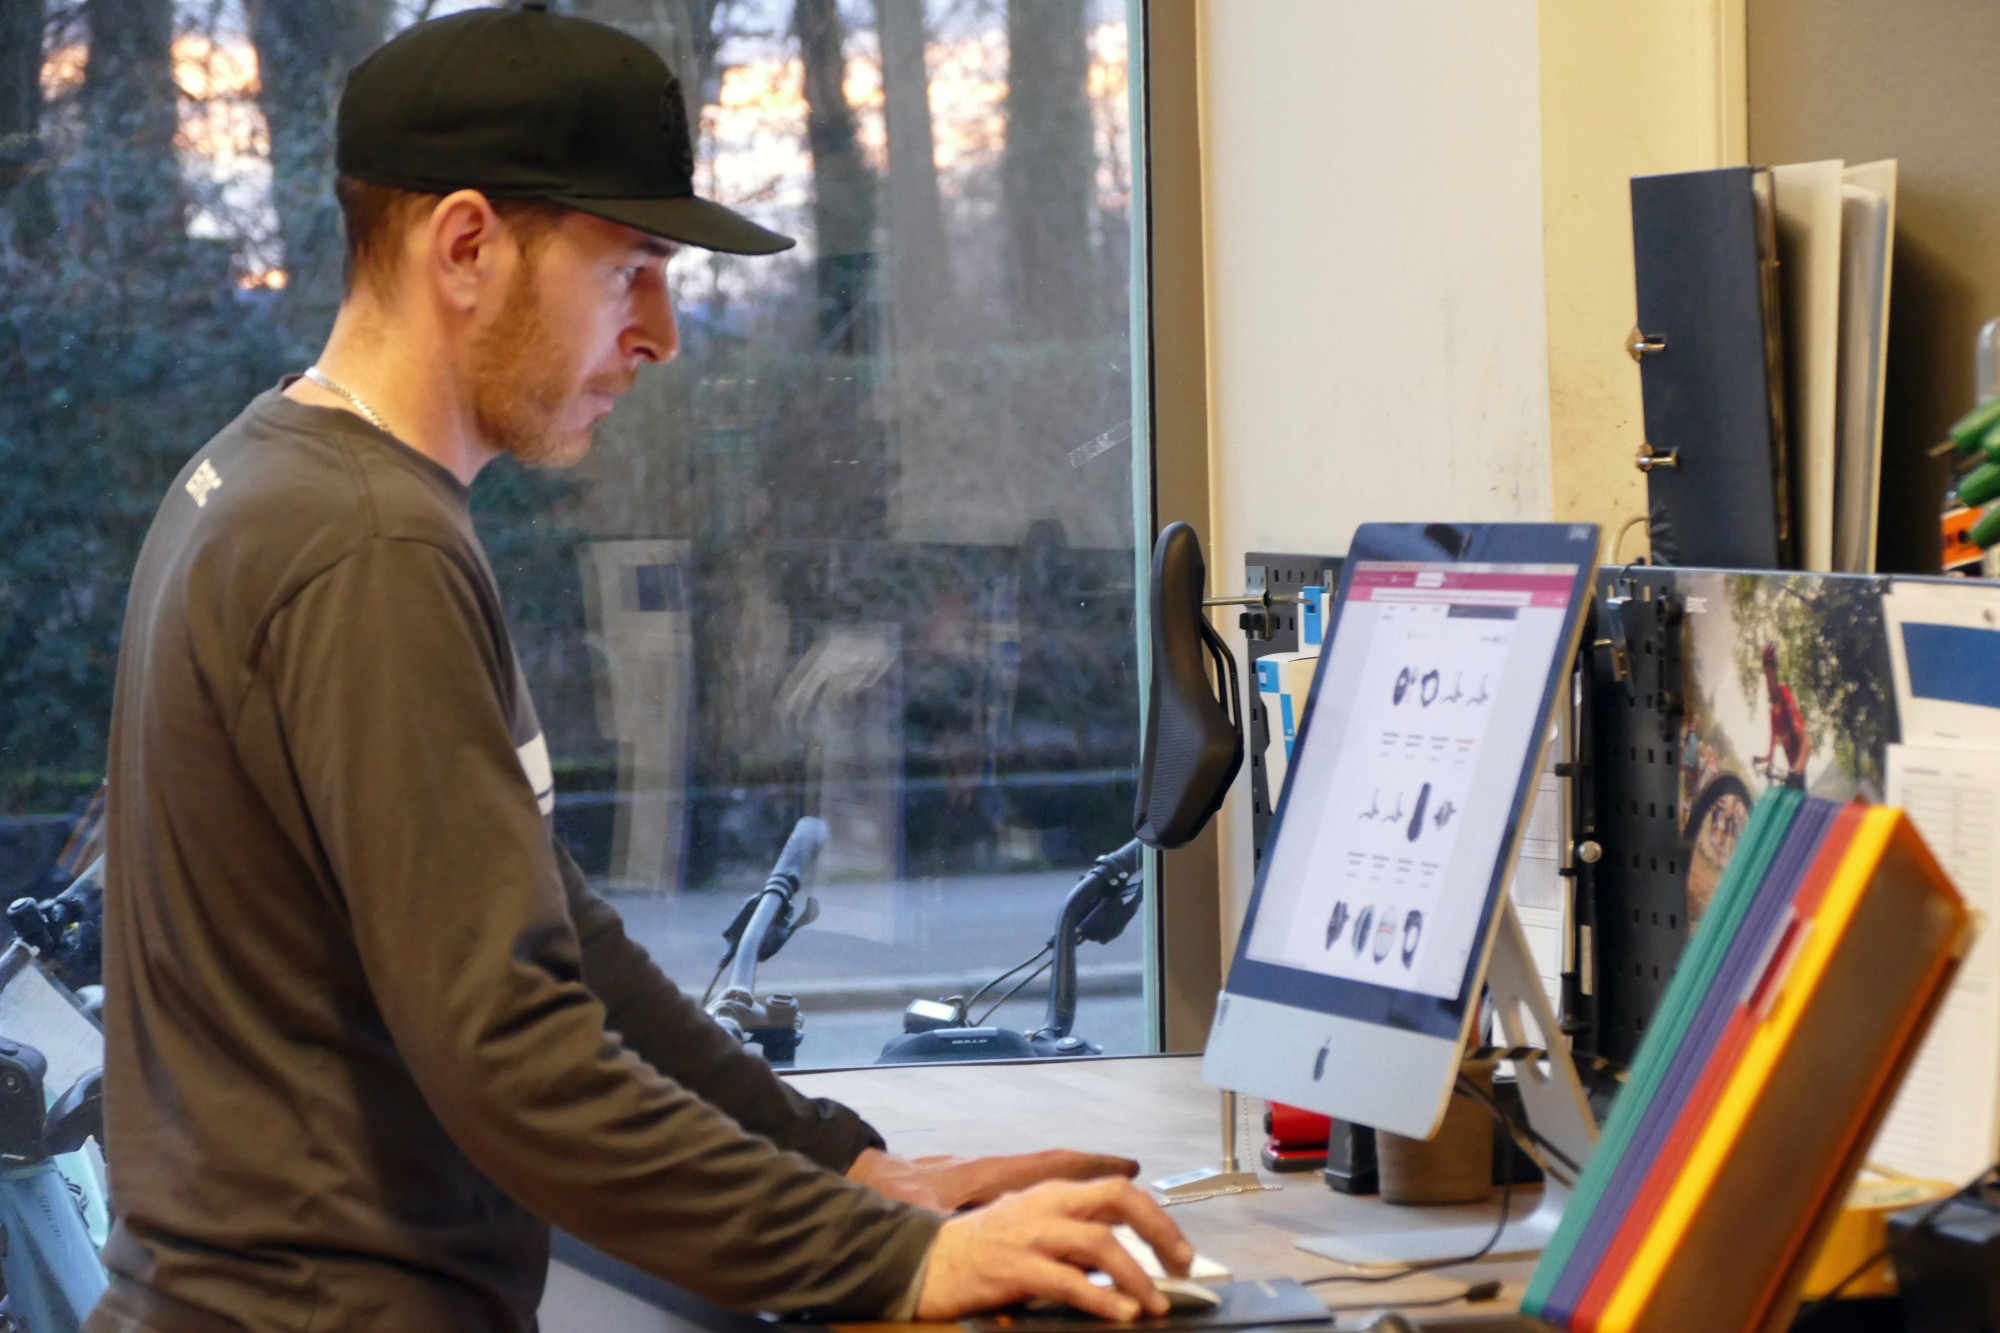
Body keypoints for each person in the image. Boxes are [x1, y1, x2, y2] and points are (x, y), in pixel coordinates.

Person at [89, 7, 1188, 1331]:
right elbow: (511, 1051)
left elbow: (562, 942)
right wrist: (890, 1261)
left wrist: (841, 1167)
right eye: (630, 270)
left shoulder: (279, 476)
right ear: (466, 247)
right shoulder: (366, 545)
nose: (661, 333)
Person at [1755, 642, 1811, 790]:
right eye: (1766, 676)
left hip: (1798, 770)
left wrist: (1796, 770)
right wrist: (1759, 760)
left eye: (1770, 674)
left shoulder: (1785, 695)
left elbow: (1806, 742)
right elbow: (1771, 750)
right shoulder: (1772, 714)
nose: (1768, 681)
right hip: (1791, 772)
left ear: (1775, 674)